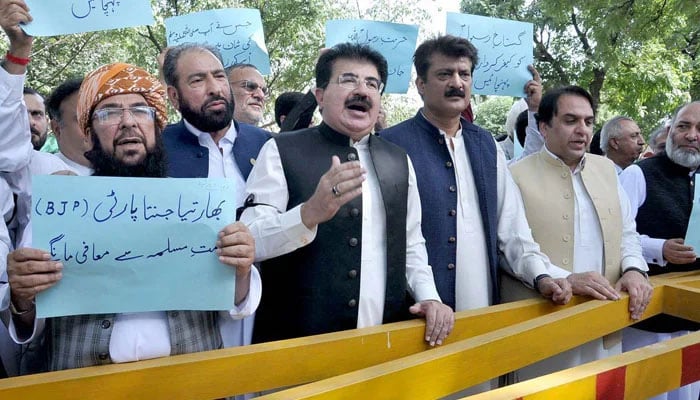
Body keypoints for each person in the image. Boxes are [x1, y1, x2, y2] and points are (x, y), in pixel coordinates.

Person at [5, 62, 260, 372]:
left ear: (157, 127)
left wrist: (242, 267)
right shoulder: (61, 208)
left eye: (141, 110)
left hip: (192, 386)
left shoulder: (200, 205)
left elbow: (233, 307)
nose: (127, 123)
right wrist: (22, 295)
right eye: (109, 113)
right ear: (89, 134)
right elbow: (31, 323)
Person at [240, 43, 454, 347]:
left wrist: (429, 297)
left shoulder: (398, 159)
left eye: (372, 84)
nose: (362, 90)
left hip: (384, 345)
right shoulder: (280, 150)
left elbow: (411, 244)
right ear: (320, 96)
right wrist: (308, 213)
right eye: (348, 80)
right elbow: (250, 241)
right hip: (296, 350)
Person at [381, 35, 571, 316]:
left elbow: (512, 229)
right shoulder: (390, 145)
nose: (457, 83)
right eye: (444, 74)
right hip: (412, 313)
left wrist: (541, 276)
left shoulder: (486, 146)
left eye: (464, 74)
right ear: (420, 85)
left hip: (482, 310)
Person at [507, 85, 652, 381]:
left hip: (605, 321)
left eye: (588, 122)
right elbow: (512, 246)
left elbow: (626, 232)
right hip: (544, 321)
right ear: (544, 127)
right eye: (570, 120)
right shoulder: (514, 175)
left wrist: (635, 269)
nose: (582, 130)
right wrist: (564, 278)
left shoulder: (607, 170)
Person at [161, 43, 269, 356]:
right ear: (174, 95)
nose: (214, 88)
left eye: (219, 76)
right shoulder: (156, 149)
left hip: (264, 308)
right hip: (189, 320)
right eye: (197, 81)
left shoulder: (268, 146)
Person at [619, 101, 700, 400]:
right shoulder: (638, 175)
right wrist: (659, 249)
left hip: (692, 321)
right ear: (670, 131)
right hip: (646, 320)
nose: (692, 135)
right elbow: (613, 234)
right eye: (684, 126)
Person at [46, 77, 93, 176]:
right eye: (84, 119)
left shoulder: (128, 171)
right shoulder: (41, 172)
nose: (95, 127)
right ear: (57, 129)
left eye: (102, 117)